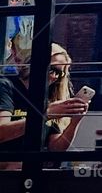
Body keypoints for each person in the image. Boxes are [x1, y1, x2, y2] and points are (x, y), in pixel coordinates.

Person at [0, 42, 89, 170]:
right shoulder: (7, 86)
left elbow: (55, 148)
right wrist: (45, 115)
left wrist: (75, 122)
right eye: (52, 69)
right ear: (36, 64)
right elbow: (2, 132)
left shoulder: (49, 99)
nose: (54, 76)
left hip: (31, 167)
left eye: (60, 73)